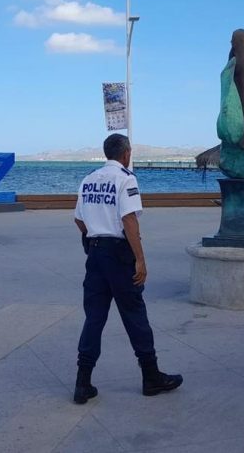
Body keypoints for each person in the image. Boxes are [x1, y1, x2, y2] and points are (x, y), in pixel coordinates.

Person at [72, 133, 183, 404]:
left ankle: (82, 382)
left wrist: (92, 240)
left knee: (94, 318)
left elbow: (78, 219)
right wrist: (140, 259)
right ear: (126, 154)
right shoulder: (125, 179)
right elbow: (129, 220)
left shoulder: (88, 180)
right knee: (135, 314)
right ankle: (151, 376)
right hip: (119, 256)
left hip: (96, 255)